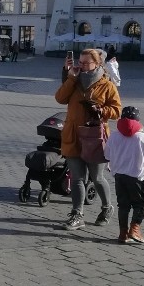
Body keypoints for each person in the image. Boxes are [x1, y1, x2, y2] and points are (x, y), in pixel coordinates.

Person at [54, 47, 122, 230]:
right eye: (80, 62)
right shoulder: (74, 80)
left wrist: (101, 110)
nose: (82, 66)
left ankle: (107, 208)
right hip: (73, 134)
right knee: (77, 178)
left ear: (97, 63)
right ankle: (77, 215)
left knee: (97, 177)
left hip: (94, 137)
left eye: (86, 63)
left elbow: (117, 111)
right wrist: (70, 76)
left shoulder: (107, 85)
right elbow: (60, 98)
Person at [105, 106, 144, 244]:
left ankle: (123, 233)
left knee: (123, 205)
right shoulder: (143, 138)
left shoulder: (114, 136)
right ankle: (134, 230)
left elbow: (107, 155)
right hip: (137, 177)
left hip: (119, 176)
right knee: (139, 204)